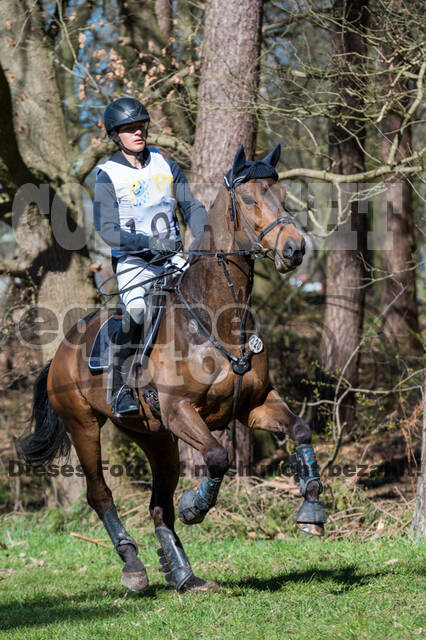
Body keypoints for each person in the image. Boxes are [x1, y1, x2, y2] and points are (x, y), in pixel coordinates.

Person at [93, 97, 207, 418]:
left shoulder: (165, 165)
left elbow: (191, 206)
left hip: (173, 258)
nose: (137, 134)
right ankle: (121, 390)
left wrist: (205, 233)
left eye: (140, 127)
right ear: (116, 136)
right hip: (135, 262)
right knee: (138, 310)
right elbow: (107, 230)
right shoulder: (107, 174)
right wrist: (149, 244)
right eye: (129, 130)